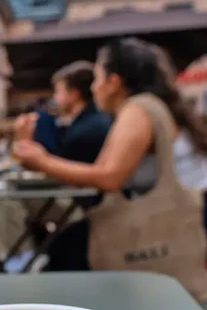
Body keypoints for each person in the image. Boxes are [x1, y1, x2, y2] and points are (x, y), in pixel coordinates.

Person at [14, 37, 207, 270]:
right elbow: (102, 170)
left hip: (190, 218)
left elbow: (109, 177)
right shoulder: (150, 106)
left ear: (114, 82)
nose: (94, 88)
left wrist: (41, 161)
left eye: (96, 78)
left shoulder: (138, 109)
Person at [14, 62, 111, 164]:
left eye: (58, 91)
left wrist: (25, 140)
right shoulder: (90, 121)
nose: (55, 98)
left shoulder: (84, 133)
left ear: (74, 94)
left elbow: (60, 172)